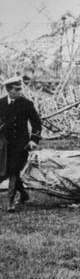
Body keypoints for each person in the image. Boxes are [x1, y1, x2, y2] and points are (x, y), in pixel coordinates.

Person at [0, 75, 41, 212]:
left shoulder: (26, 104)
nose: (19, 92)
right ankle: (23, 194)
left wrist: (33, 140)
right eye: (15, 89)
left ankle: (10, 202)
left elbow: (36, 123)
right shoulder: (1, 103)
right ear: (8, 90)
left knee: (13, 170)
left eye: (19, 89)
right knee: (6, 171)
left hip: (21, 143)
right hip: (4, 144)